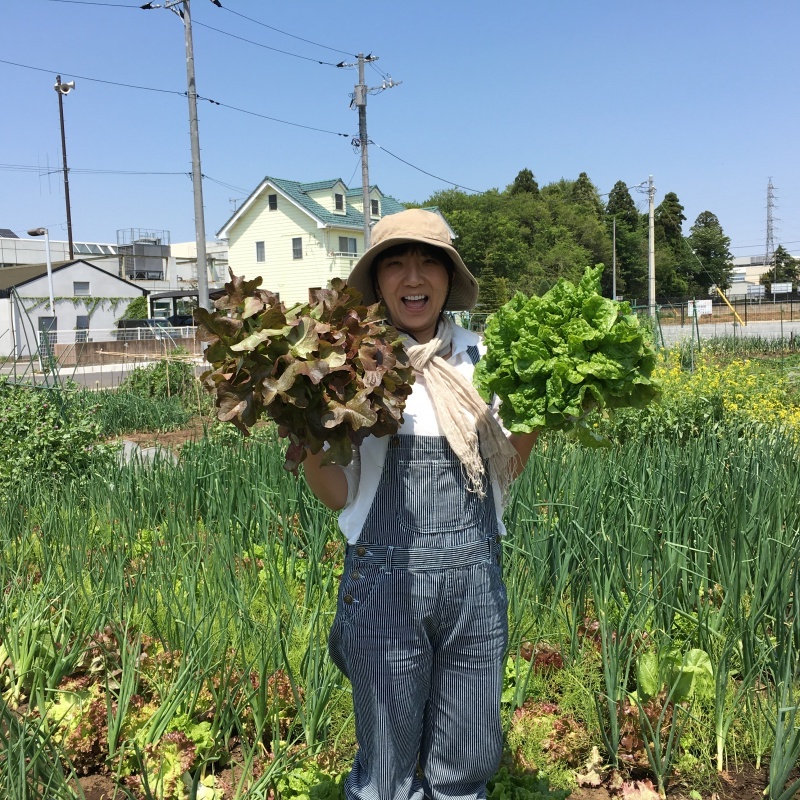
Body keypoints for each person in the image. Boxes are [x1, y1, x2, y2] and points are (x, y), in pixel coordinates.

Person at [303, 209, 538, 800]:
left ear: (447, 276)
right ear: (378, 282)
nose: (413, 275)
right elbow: (339, 492)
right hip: (387, 590)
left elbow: (505, 469)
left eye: (428, 260)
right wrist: (305, 431)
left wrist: (544, 407)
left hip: (474, 589)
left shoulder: (487, 359)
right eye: (396, 262)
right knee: (386, 770)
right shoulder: (352, 368)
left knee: (466, 762)